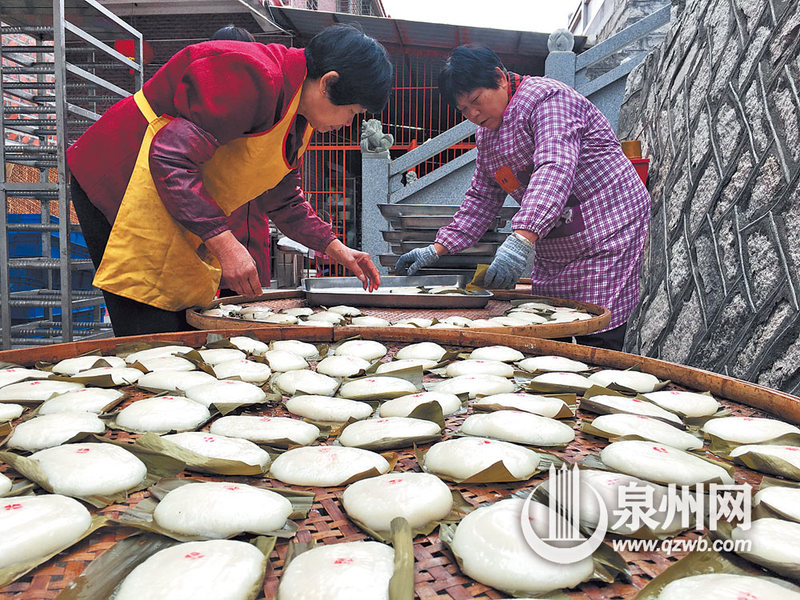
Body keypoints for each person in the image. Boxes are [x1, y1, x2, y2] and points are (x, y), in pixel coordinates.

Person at [68, 24, 391, 336]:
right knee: (151, 324)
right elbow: (170, 157)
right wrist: (225, 244)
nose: (348, 121)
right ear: (327, 82)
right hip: (120, 182)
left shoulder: (299, 117)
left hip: (171, 192)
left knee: (185, 315)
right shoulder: (251, 73)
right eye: (351, 110)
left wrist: (335, 248)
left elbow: (283, 197)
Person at [394, 45, 651, 351]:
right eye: (463, 110)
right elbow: (481, 198)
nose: (473, 115)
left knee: (596, 325)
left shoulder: (549, 99)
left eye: (476, 101)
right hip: (555, 242)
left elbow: (554, 168)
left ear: (500, 78)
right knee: (550, 319)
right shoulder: (487, 136)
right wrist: (437, 248)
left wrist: (519, 240)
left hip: (607, 229)